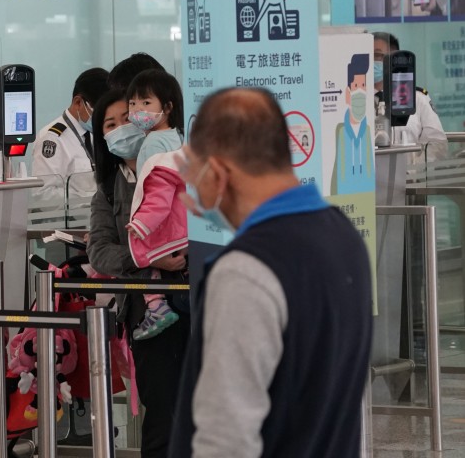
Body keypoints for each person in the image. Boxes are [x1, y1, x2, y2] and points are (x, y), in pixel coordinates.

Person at [169, 88, 372, 458]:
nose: (195, 192)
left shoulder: (245, 271)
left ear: (217, 172)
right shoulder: (344, 237)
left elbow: (225, 439)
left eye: (197, 177)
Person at [86, 87, 188, 458]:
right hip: (147, 315)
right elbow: (99, 253)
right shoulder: (108, 192)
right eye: (109, 125)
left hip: (194, 299)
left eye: (124, 119)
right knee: (162, 415)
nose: (119, 129)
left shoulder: (175, 163)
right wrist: (148, 258)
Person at [123, 70, 188, 341]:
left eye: (146, 103)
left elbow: (156, 192)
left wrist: (141, 224)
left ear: (168, 106)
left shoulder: (153, 144)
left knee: (143, 251)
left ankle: (155, 304)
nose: (138, 110)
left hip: (162, 222)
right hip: (183, 220)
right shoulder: (179, 136)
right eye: (133, 104)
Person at [31, 68, 109, 199]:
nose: (101, 119)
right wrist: (90, 200)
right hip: (73, 217)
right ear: (78, 102)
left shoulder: (96, 133)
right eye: (97, 112)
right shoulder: (52, 138)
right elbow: (43, 193)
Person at [373, 31, 448, 159]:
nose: (371, 60)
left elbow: (437, 143)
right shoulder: (356, 100)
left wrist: (415, 173)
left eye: (377, 55)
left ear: (393, 58)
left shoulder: (418, 98)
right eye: (367, 55)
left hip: (413, 176)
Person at [331, 52, 374, 196]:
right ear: (348, 93)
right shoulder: (340, 131)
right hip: (343, 204)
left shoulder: (367, 131)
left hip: (366, 203)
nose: (360, 91)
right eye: (356, 86)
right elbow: (336, 175)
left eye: (363, 85)